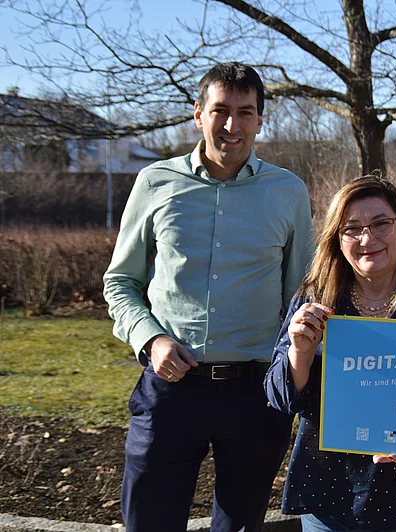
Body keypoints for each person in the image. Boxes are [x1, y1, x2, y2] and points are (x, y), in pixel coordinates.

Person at [103, 62, 314, 532]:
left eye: (245, 112)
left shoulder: (288, 192)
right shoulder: (155, 183)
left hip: (256, 394)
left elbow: (303, 295)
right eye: (220, 110)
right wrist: (152, 341)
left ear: (261, 119)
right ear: (197, 114)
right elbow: (120, 283)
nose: (232, 126)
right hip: (170, 390)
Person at [265, 175, 396, 531]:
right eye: (352, 229)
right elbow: (279, 398)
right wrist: (299, 352)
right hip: (334, 501)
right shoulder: (315, 299)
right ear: (336, 239)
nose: (367, 239)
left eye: (380, 224)